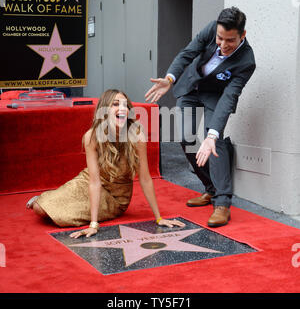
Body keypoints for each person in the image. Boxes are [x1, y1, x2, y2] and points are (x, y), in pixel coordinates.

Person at [145, 7, 256, 227]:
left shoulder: (246, 61)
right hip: (190, 88)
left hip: (216, 96)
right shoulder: (212, 29)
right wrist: (170, 78)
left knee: (212, 141)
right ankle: (210, 188)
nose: (223, 45)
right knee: (186, 138)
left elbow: (229, 97)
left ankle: (222, 203)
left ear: (242, 35)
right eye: (220, 38)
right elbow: (187, 53)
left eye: (230, 41)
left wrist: (212, 135)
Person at [27, 89, 185, 237]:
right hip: (88, 181)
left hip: (115, 197)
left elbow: (145, 178)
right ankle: (44, 198)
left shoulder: (136, 134)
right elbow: (94, 181)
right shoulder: (92, 136)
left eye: (125, 105)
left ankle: (46, 200)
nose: (122, 109)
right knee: (39, 208)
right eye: (115, 104)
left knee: (52, 213)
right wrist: (93, 224)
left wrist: (159, 218)